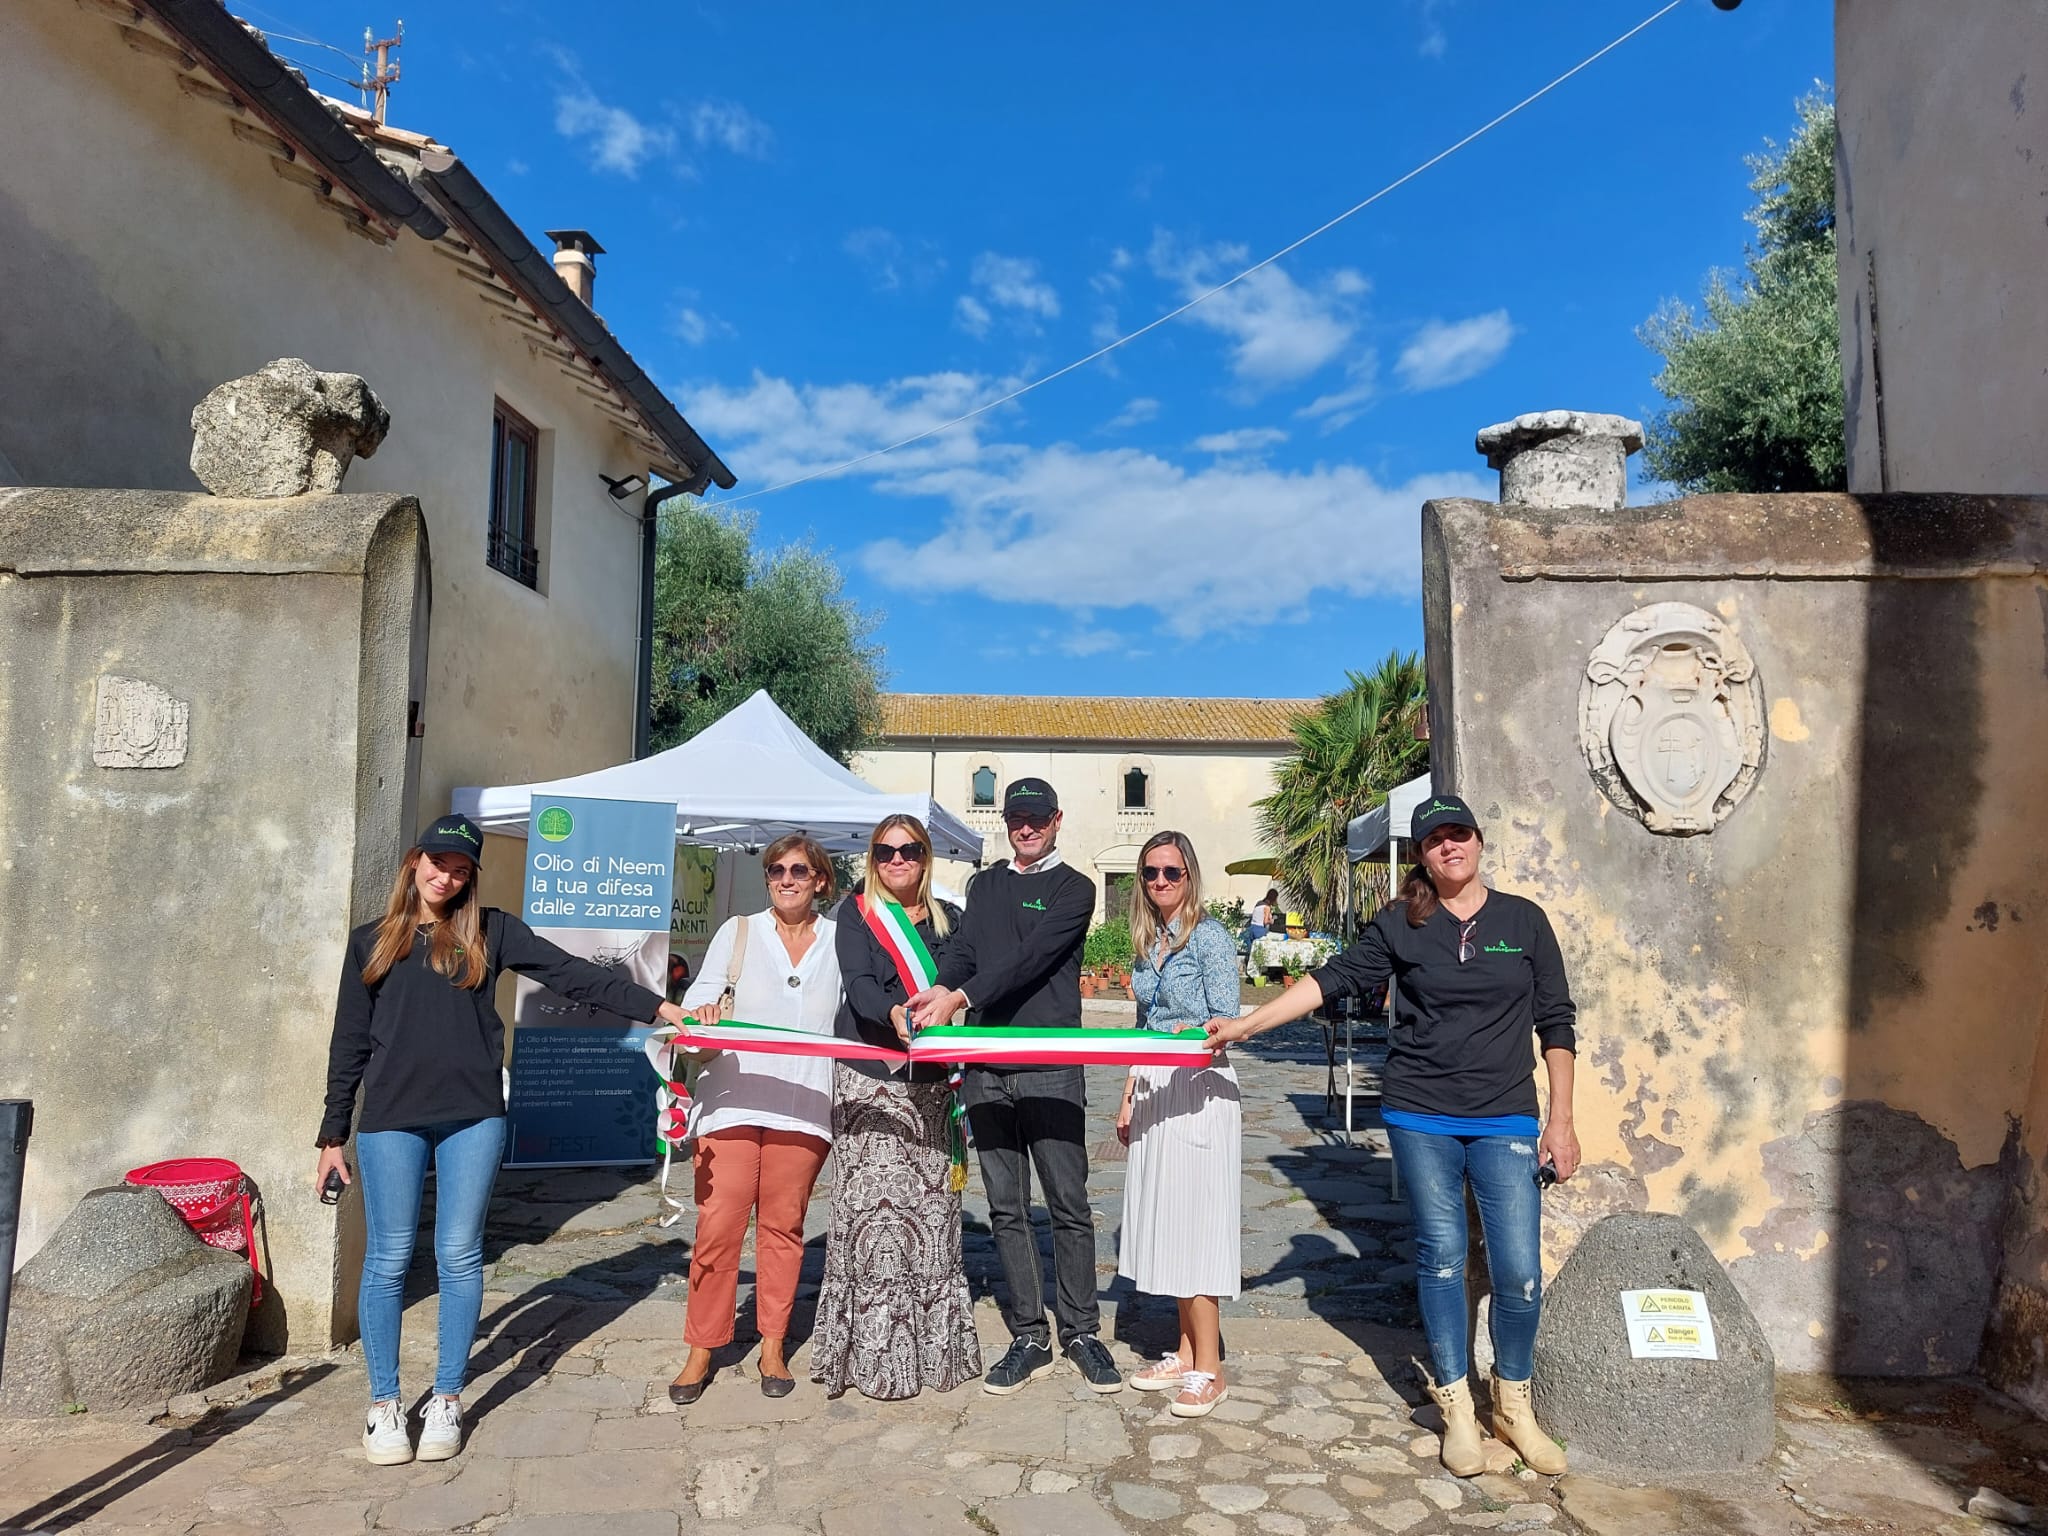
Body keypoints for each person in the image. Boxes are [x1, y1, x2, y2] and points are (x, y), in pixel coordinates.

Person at [1205, 793, 1577, 1478]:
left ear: (1478, 840)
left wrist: (1561, 1119)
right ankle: (1458, 1408)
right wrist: (1244, 1027)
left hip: (1507, 1117)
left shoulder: (1524, 921)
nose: (1449, 847)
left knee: (1520, 1272)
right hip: (1421, 1114)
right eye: (1435, 840)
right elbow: (1331, 979)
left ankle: (1514, 1407)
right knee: (1441, 1255)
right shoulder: (1402, 923)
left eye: (1458, 834)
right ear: (1422, 855)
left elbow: (1556, 1020)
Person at [315, 813, 687, 1467]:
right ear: (414, 861)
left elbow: (575, 975)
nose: (446, 876)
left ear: (470, 877)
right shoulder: (370, 943)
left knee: (458, 1257)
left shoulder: (493, 932)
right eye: (438, 863)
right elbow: (348, 1044)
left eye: (460, 870)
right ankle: (383, 1406)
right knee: (389, 1260)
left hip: (473, 1118)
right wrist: (331, 1135)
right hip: (390, 1122)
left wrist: (657, 1006)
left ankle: (447, 1401)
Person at [909, 777, 1118, 1395]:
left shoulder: (1075, 888)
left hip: (1051, 1066)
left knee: (1068, 1205)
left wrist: (961, 997)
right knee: (1005, 1206)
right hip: (985, 1068)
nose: (1025, 829)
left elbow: (1031, 960)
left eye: (1036, 818)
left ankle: (1081, 1331)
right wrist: (940, 987)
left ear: (1057, 820)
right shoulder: (984, 884)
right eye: (1015, 818)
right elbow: (966, 950)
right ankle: (1030, 1335)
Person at [811, 815, 981, 1399]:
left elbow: (964, 985)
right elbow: (858, 985)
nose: (898, 860)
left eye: (909, 850)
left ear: (926, 857)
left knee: (931, 1217)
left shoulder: (951, 923)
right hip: (869, 1079)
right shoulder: (854, 916)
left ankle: (934, 1354)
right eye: (886, 851)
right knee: (875, 1217)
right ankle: (873, 1357)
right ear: (873, 860)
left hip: (933, 1085)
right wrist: (893, 1016)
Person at [667, 834, 841, 1405]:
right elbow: (699, 1003)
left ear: (820, 878)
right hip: (732, 1102)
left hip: (804, 1104)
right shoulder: (738, 931)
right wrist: (705, 1013)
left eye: (798, 870)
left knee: (783, 1229)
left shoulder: (842, 941)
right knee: (718, 1228)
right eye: (775, 870)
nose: (785, 879)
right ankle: (702, 1346)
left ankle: (771, 1344)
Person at [1114, 831, 1244, 1418]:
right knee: (1168, 1216)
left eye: (1172, 872)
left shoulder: (1210, 938)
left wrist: (1181, 1044)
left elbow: (1227, 1021)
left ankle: (1211, 1370)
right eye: (1150, 873)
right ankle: (1188, 1353)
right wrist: (1127, 1094)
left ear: (1190, 875)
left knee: (1197, 1223)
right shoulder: (1149, 940)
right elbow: (1144, 1021)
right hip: (1154, 1084)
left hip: (1199, 1085)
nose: (1161, 882)